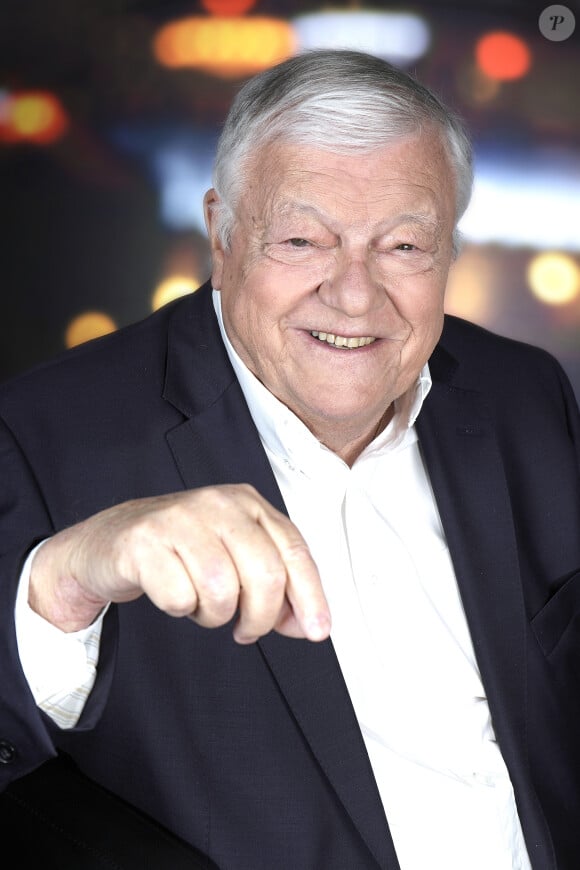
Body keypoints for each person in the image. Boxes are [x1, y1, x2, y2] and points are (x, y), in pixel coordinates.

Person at [0, 48, 579, 870]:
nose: (352, 293)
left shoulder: (525, 395)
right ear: (222, 234)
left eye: (404, 246)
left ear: (450, 247)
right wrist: (59, 585)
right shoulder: (42, 432)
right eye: (303, 240)